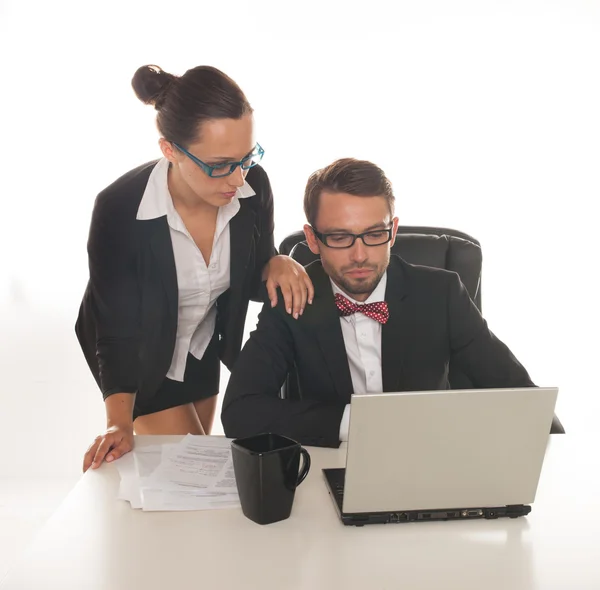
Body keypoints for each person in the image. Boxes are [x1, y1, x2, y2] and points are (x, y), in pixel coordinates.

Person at [77, 64, 313, 471]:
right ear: (169, 150)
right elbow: (115, 331)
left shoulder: (254, 188)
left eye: (246, 158)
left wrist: (274, 262)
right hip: (139, 354)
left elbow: (250, 275)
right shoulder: (118, 209)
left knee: (183, 482)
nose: (238, 179)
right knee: (204, 470)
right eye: (220, 165)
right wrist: (119, 422)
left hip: (201, 347)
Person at [221, 158, 535, 447]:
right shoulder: (292, 299)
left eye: (374, 234)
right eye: (341, 237)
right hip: (334, 465)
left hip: (433, 462)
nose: (360, 255)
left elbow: (523, 398)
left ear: (393, 230)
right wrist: (356, 424)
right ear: (313, 239)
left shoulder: (443, 294)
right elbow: (240, 411)